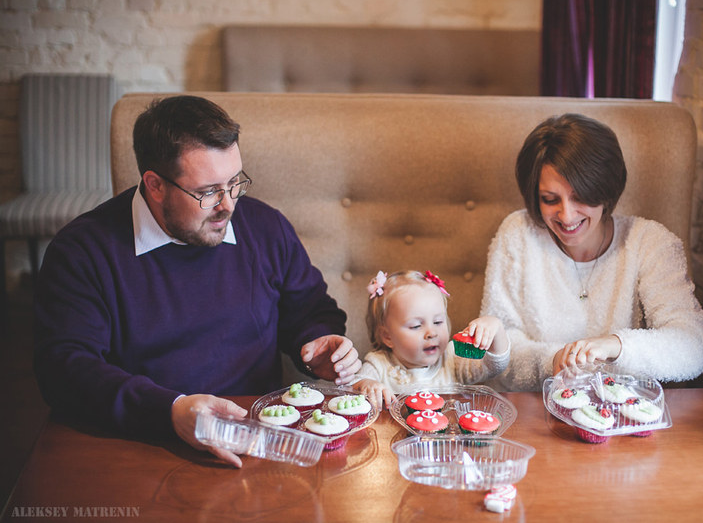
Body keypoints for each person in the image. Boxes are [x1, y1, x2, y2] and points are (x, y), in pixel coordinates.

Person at [33, 95, 361, 467]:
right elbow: (63, 369)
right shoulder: (83, 252)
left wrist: (320, 348)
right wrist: (170, 411)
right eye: (208, 192)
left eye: (234, 182)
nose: (229, 205)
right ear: (155, 185)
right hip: (142, 444)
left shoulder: (265, 227)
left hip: (259, 442)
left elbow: (311, 311)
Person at [481, 113, 703, 391]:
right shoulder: (518, 233)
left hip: (623, 408)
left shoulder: (649, 242)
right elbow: (498, 345)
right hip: (534, 407)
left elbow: (694, 346)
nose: (566, 216)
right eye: (550, 199)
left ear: (605, 191)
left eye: (580, 197)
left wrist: (616, 346)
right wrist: (552, 360)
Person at [351, 270, 510, 408]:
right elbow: (351, 386)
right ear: (387, 336)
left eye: (438, 322)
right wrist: (367, 385)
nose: (432, 333)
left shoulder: (452, 359)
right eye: (416, 326)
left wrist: (496, 328)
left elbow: (494, 367)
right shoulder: (378, 364)